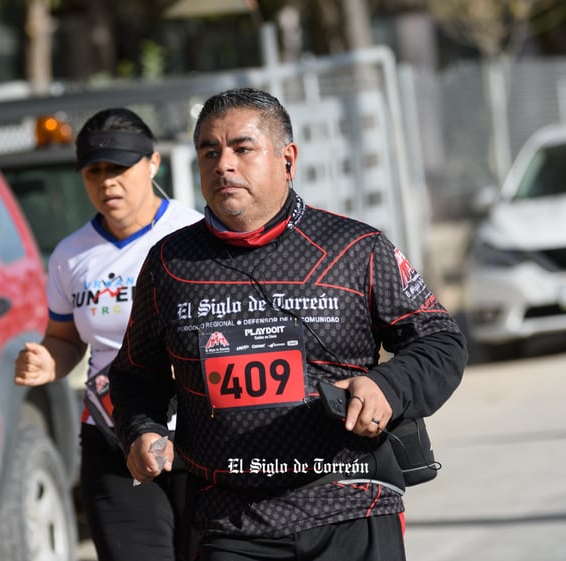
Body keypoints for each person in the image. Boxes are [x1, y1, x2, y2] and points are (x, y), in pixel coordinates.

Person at [108, 88, 467, 561]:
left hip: (350, 503)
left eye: (242, 148)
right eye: (209, 152)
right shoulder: (171, 265)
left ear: (287, 158)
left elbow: (440, 341)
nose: (223, 165)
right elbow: (135, 375)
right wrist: (141, 430)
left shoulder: (355, 249)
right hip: (230, 520)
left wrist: (388, 386)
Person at [14, 107, 203, 561]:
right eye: (94, 171)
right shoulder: (70, 255)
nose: (106, 182)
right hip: (112, 437)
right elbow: (65, 340)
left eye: (119, 167)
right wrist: (47, 360)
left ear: (153, 163)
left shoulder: (193, 235)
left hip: (198, 438)